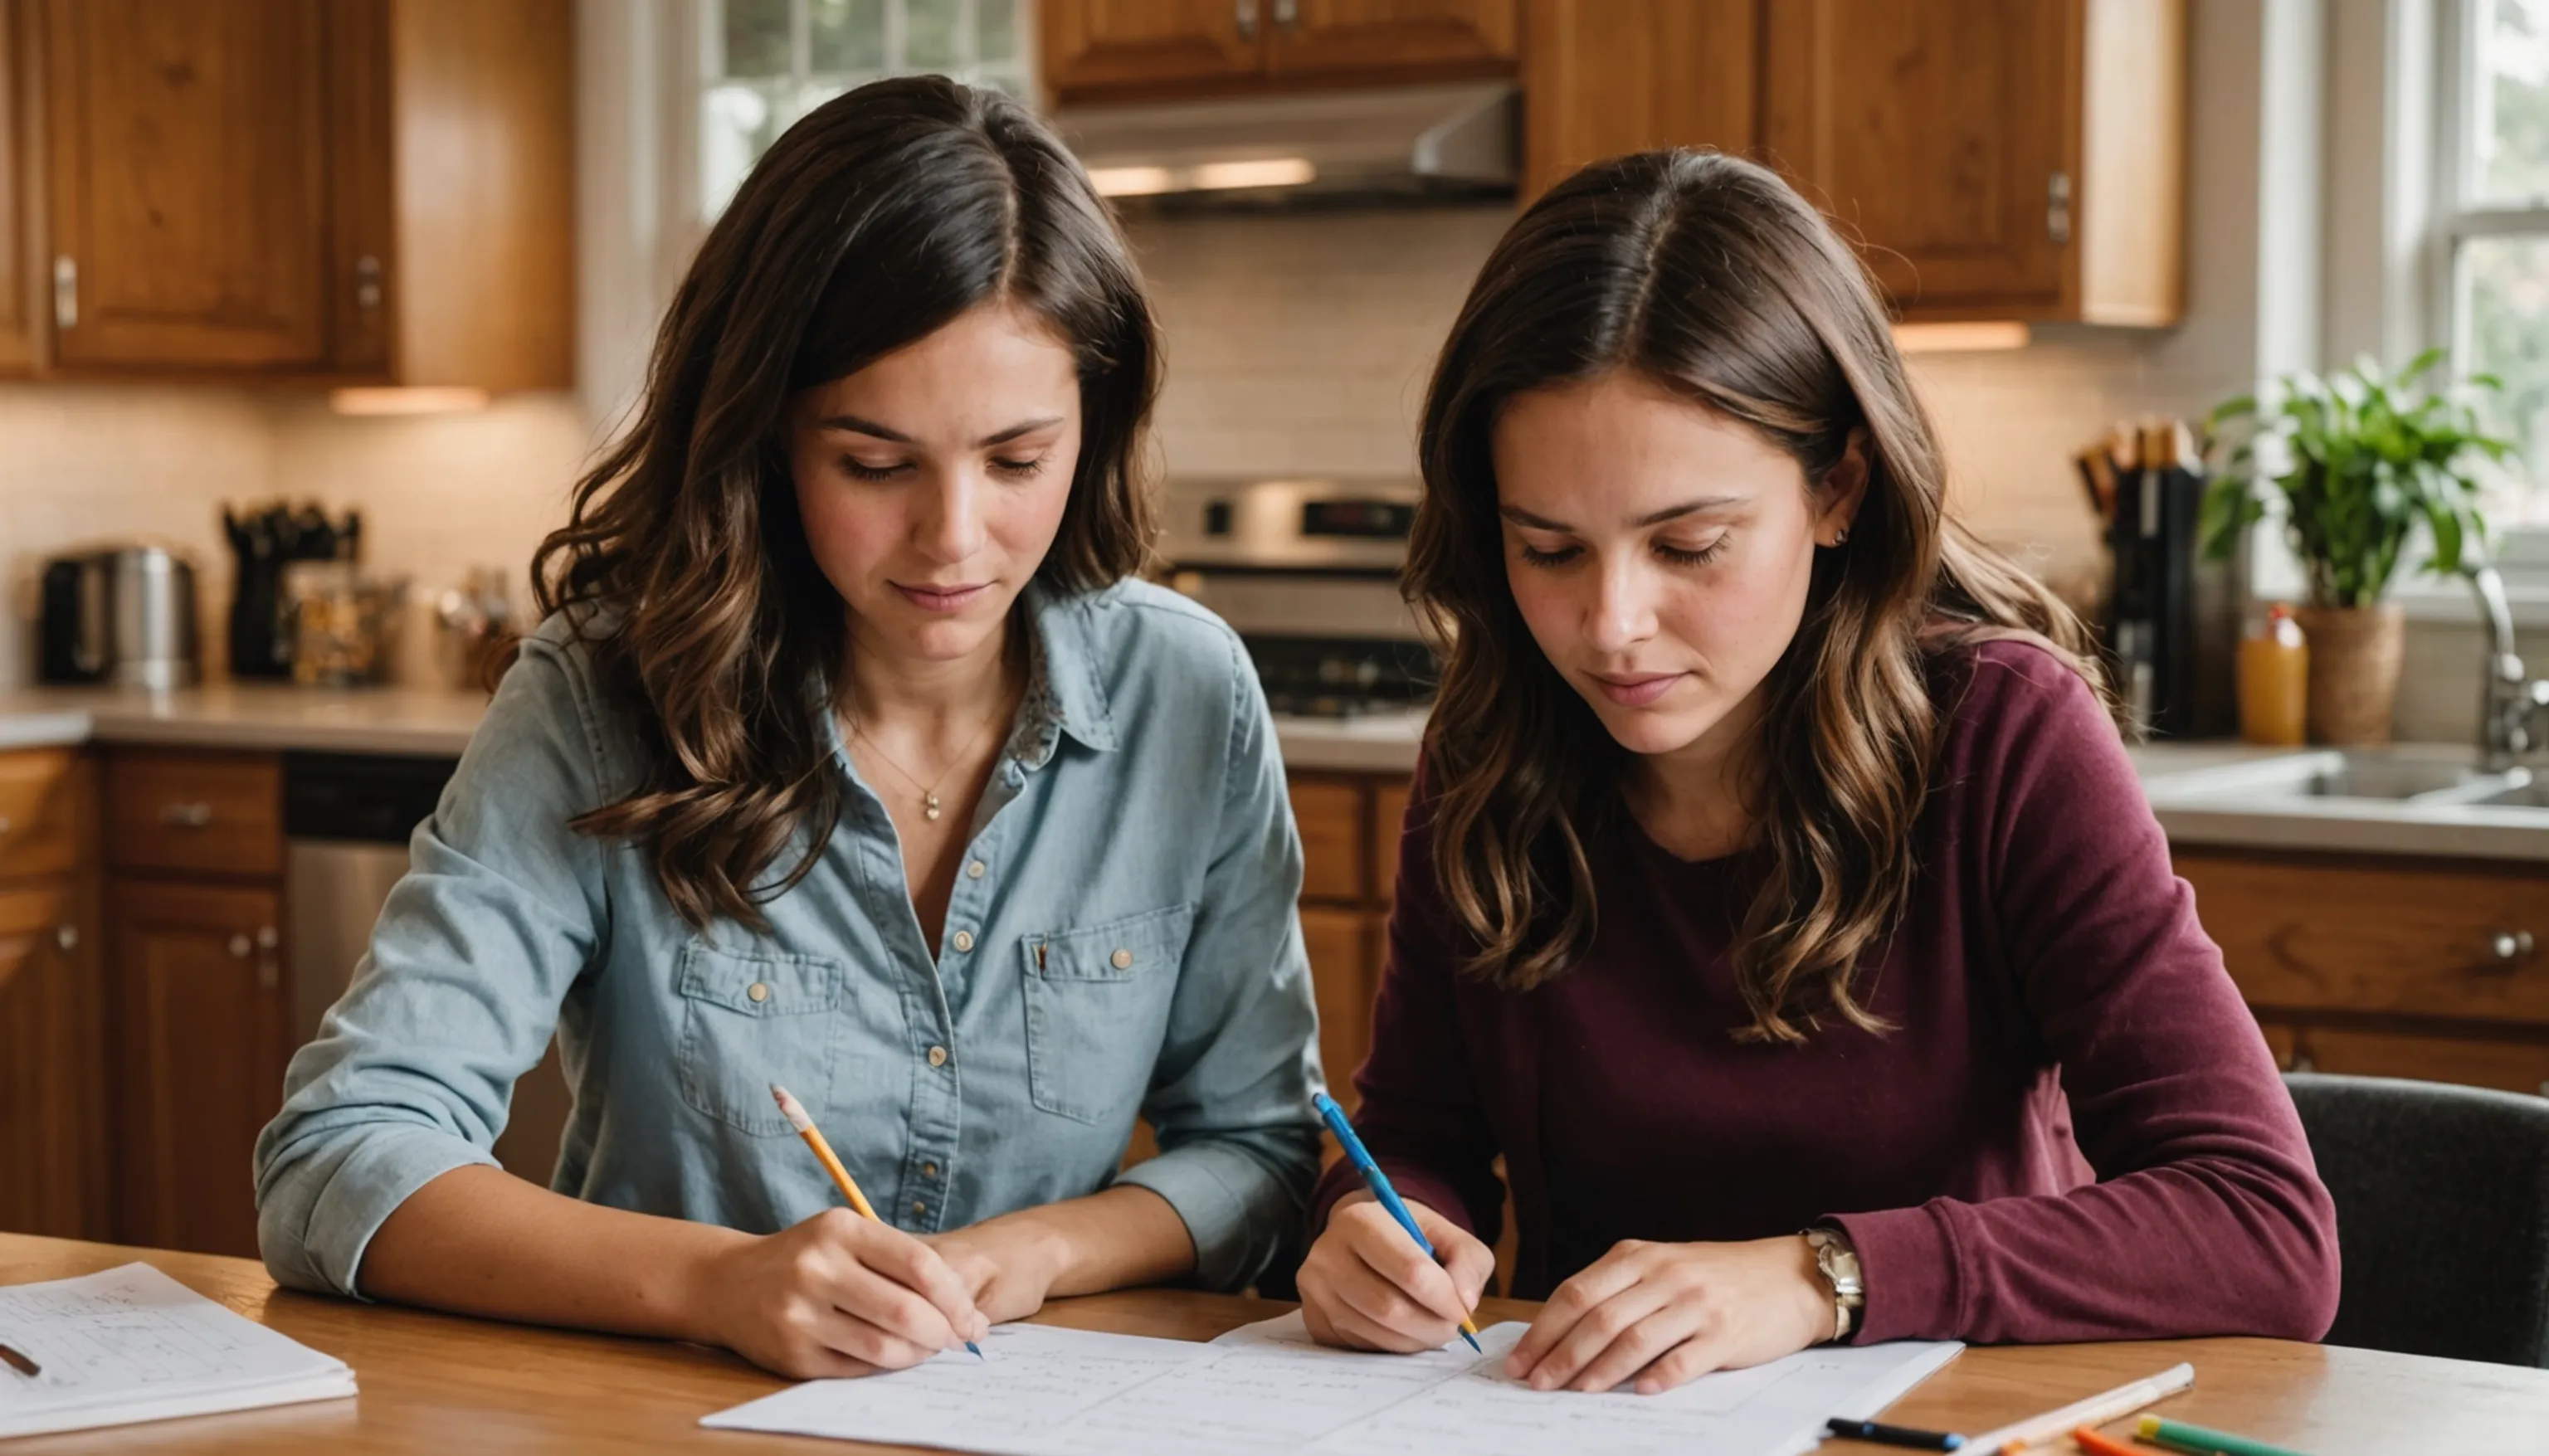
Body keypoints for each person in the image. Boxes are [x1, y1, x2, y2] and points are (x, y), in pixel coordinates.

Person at [256, 77, 1323, 1379]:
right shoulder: (604, 692)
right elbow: (342, 1152)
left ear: (1091, 428)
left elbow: (1262, 1156)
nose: (955, 538)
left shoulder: (1187, 694)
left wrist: (1035, 1250)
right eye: (875, 464)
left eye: (1016, 458)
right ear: (767, 439)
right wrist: (719, 1282)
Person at [1294, 150, 2339, 1395]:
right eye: (1550, 547)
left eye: (1689, 543)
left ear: (1837, 487)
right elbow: (1419, 1135)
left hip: (1953, 1417)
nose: (1613, 621)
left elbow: (2264, 1225)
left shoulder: (2005, 735)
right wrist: (1375, 1224)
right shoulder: (1488, 751)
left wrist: (1819, 1276)